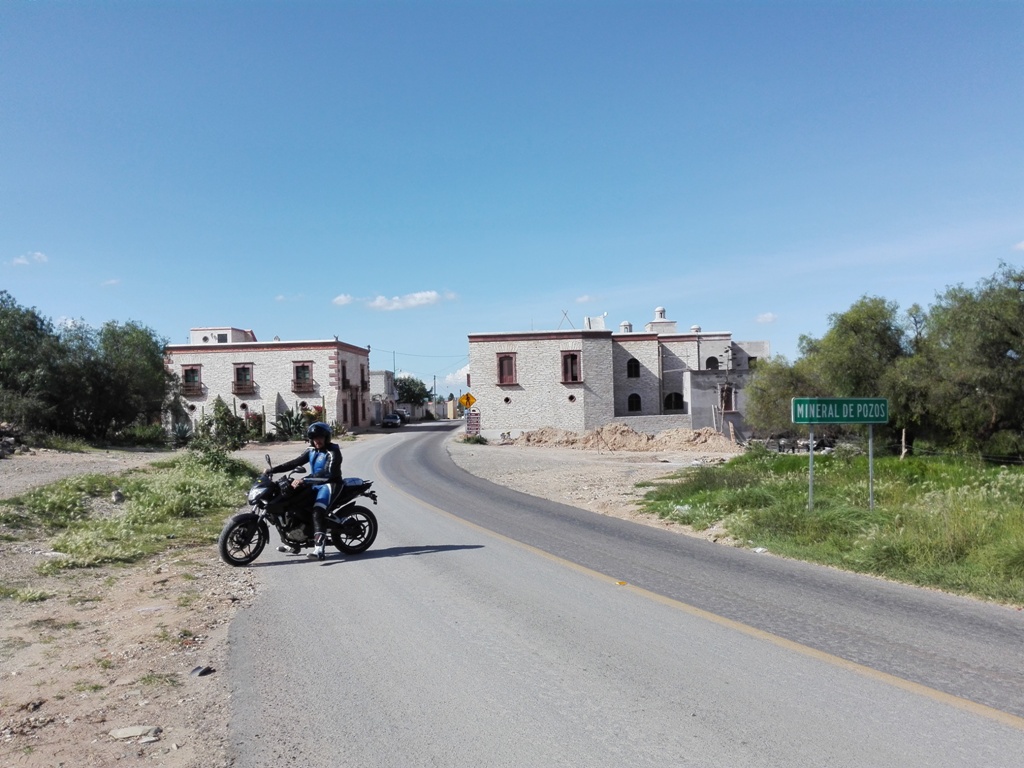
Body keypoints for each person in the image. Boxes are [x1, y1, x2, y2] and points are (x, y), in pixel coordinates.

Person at [268, 421, 342, 560]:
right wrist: (272, 470)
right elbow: (294, 463)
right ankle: (294, 543)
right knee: (293, 505)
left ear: (327, 437)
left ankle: (319, 550)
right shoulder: (311, 450)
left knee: (317, 511)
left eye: (320, 437)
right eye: (314, 438)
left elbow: (328, 473)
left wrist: (304, 480)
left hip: (330, 484)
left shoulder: (333, 451)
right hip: (314, 483)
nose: (317, 440)